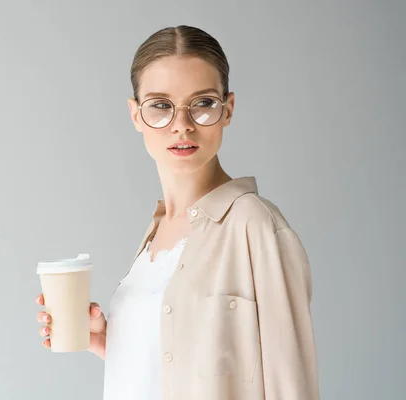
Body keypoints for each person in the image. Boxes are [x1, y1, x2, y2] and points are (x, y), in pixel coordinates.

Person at [36, 25, 319, 400]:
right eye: (160, 105)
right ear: (136, 115)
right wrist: (113, 343)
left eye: (202, 103)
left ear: (227, 109)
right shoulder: (158, 232)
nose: (182, 124)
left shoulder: (255, 226)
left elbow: (291, 387)